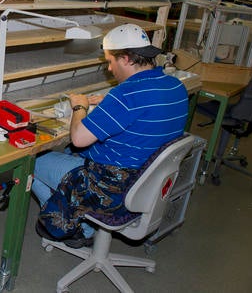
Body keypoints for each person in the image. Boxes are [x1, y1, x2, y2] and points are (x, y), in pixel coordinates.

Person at [32, 23, 188, 248]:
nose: (109, 69)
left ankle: (74, 227)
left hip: (110, 191)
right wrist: (110, 106)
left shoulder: (125, 94)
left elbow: (78, 138)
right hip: (144, 186)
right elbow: (147, 110)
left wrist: (80, 106)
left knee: (32, 162)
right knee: (68, 152)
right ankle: (82, 223)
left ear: (125, 58)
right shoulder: (175, 86)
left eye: (110, 61)